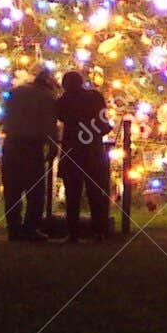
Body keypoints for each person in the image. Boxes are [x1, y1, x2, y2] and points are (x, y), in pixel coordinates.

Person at [0, 68, 59, 241]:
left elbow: (5, 117)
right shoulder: (47, 97)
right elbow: (50, 124)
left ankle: (13, 228)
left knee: (12, 189)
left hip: (11, 143)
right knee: (35, 190)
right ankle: (31, 228)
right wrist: (53, 146)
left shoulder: (15, 92)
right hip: (32, 145)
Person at [55, 69, 112, 242]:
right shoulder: (94, 97)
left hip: (72, 149)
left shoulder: (62, 102)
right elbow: (102, 120)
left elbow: (61, 117)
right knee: (96, 193)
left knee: (73, 194)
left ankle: (73, 233)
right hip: (93, 149)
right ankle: (98, 231)